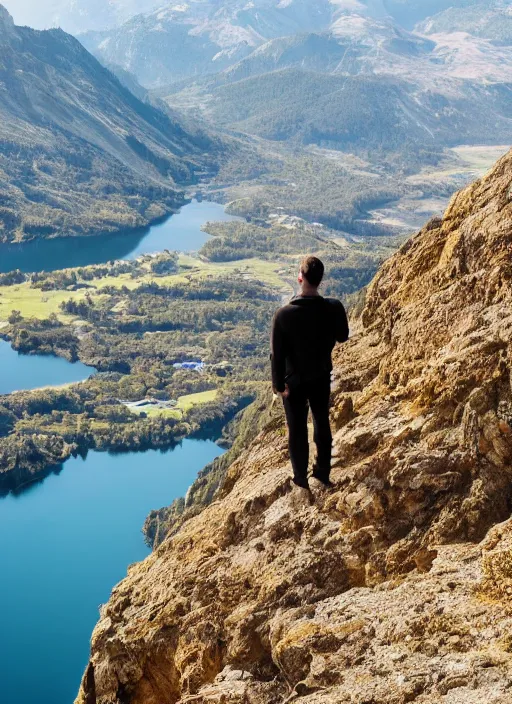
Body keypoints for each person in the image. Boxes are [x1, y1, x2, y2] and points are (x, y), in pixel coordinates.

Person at [271, 256, 349, 490]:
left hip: (292, 382)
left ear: (300, 277)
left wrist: (277, 385)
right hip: (320, 375)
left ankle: (300, 479)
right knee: (321, 421)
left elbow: (277, 354)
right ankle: (322, 474)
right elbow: (343, 336)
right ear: (320, 280)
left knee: (296, 429)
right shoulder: (333, 307)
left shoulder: (283, 315)